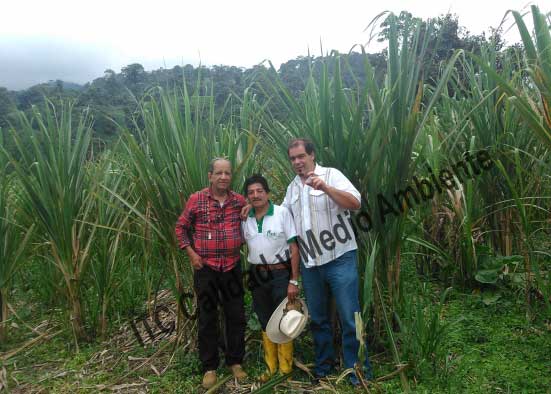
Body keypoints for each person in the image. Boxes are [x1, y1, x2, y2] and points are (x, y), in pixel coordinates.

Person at [281, 138, 373, 385]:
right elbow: (284, 223)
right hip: (311, 265)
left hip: (339, 258)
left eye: (301, 156)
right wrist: (253, 210)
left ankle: (359, 371)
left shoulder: (331, 174)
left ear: (312, 155)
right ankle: (324, 367)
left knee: (349, 316)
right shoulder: (292, 189)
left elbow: (356, 203)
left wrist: (326, 188)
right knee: (319, 319)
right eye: (293, 158)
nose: (298, 162)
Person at [175, 158, 248, 389]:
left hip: (232, 266)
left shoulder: (238, 201)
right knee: (207, 317)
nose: (224, 177)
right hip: (205, 268)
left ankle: (235, 361)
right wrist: (191, 254)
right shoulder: (196, 200)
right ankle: (209, 367)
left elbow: (256, 215)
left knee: (235, 315)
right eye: (219, 173)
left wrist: (249, 209)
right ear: (210, 176)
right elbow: (180, 228)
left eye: (227, 173)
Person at [241, 174, 300, 381]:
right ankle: (271, 367)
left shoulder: (282, 213)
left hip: (280, 273)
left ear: (267, 193)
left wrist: (293, 280)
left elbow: (294, 248)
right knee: (264, 318)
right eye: (251, 192)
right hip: (257, 274)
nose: (255, 195)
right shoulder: (245, 218)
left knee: (284, 318)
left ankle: (285, 369)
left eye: (259, 191)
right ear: (247, 197)